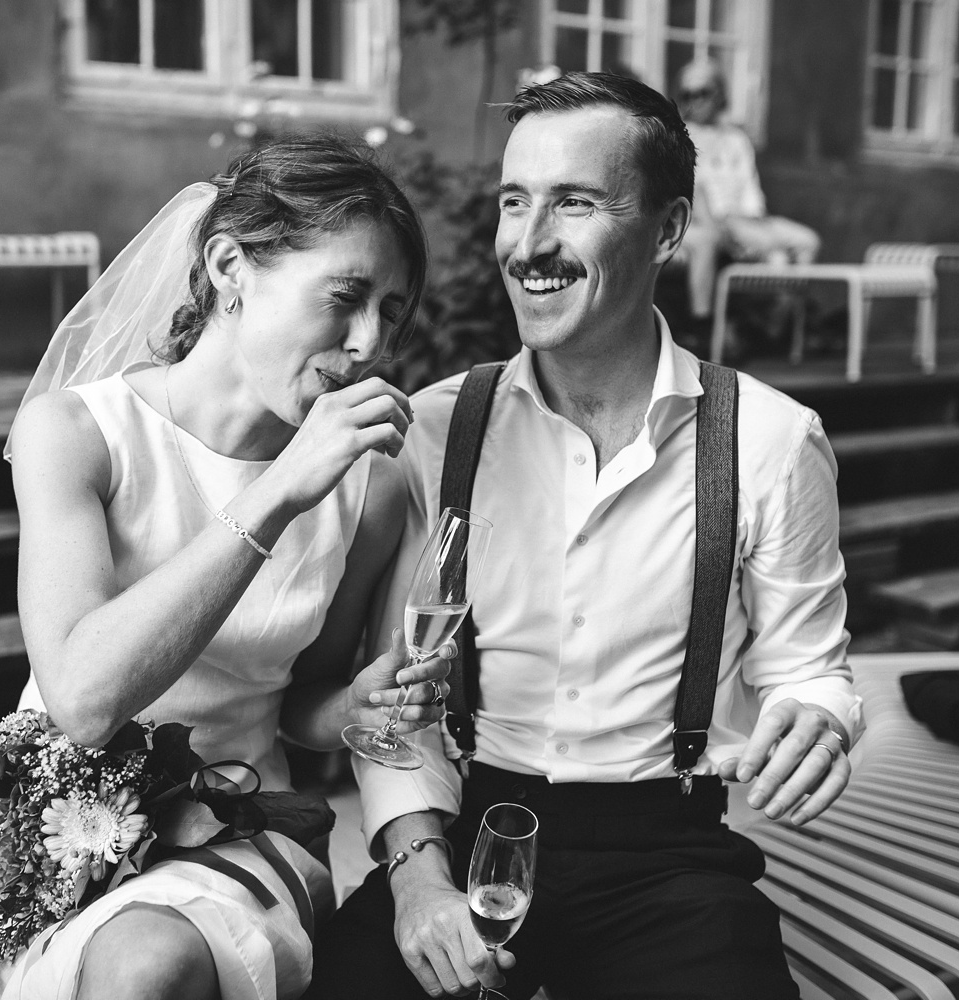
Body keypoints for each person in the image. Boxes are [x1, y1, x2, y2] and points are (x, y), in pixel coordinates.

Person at [307, 72, 860, 1000]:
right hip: (460, 835)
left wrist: (821, 719)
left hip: (669, 859)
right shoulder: (435, 433)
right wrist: (417, 882)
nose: (528, 245)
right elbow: (388, 707)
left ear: (670, 228)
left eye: (574, 203)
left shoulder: (770, 440)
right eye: (515, 203)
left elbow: (812, 669)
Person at [0, 135, 454, 1000]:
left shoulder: (371, 494)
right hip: (56, 823)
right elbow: (82, 698)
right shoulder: (77, 436)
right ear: (230, 264)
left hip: (236, 832)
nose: (370, 340)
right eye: (346, 297)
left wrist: (352, 705)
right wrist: (277, 494)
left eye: (393, 311)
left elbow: (299, 708)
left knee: (145, 967)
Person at [672, 59, 822, 323]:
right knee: (777, 256)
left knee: (808, 241)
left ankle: (783, 317)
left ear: (719, 93)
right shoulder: (683, 138)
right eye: (688, 94)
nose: (696, 101)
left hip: (751, 218)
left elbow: (750, 186)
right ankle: (777, 328)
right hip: (720, 220)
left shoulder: (736, 138)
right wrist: (725, 227)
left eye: (703, 92)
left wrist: (757, 217)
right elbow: (696, 191)